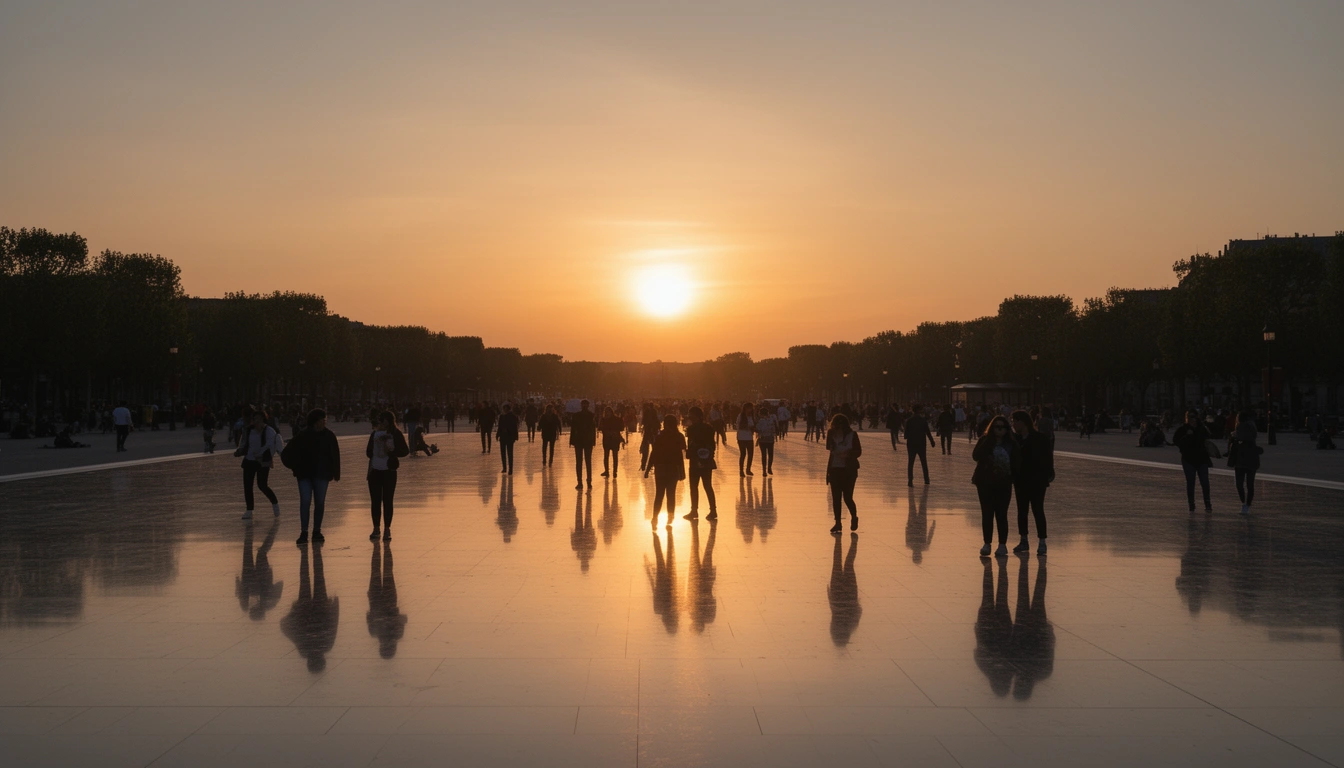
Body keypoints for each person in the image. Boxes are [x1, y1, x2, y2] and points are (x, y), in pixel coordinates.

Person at [281, 409, 341, 545]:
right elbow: (286, 454)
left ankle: (316, 531)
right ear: (314, 422)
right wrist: (295, 467)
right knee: (305, 501)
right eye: (321, 421)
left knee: (319, 502)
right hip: (305, 475)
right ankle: (304, 532)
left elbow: (335, 455)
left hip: (322, 475)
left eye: (324, 421)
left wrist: (335, 473)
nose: (323, 423)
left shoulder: (329, 435)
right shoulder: (303, 435)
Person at [972, 415, 1019, 557]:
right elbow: (975, 456)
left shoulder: (1011, 443)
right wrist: (988, 442)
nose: (999, 430)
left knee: (1001, 514)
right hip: (985, 483)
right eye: (996, 427)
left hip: (1003, 484)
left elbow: (1017, 462)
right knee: (987, 514)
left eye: (1002, 427)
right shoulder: (985, 440)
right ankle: (987, 543)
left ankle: (1002, 544)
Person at [1010, 410, 1051, 556]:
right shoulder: (1015, 439)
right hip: (1021, 480)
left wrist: (1048, 475)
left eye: (1015, 421)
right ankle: (1024, 539)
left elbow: (1047, 458)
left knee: (1038, 509)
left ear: (1023, 422)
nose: (1013, 424)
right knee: (1022, 510)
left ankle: (1042, 541)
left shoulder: (1039, 438)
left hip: (1037, 480)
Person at [366, 410, 408, 541]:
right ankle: (376, 528)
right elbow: (368, 452)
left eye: (383, 421)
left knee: (388, 501)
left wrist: (391, 452)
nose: (381, 423)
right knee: (375, 501)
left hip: (389, 471)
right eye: (380, 421)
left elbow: (405, 451)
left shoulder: (396, 434)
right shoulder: (374, 434)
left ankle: (387, 529)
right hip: (375, 471)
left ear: (389, 421)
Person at [235, 409, 284, 520]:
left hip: (263, 461)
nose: (256, 421)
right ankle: (249, 510)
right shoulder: (248, 430)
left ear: (263, 418)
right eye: (254, 418)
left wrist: (260, 453)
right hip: (249, 461)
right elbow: (243, 443)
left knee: (262, 485)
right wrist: (240, 451)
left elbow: (270, 444)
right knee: (247, 486)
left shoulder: (269, 431)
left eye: (258, 418)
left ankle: (275, 503)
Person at [825, 413, 862, 533]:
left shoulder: (852, 435)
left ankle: (854, 517)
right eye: (836, 425)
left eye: (840, 425)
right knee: (836, 498)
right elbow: (828, 448)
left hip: (849, 470)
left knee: (847, 497)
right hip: (835, 468)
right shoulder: (831, 434)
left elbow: (858, 451)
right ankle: (838, 523)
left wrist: (847, 454)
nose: (838, 427)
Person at [648, 414, 686, 527]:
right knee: (671, 494)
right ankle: (670, 516)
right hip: (673, 468)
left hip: (660, 468)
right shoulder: (679, 436)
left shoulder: (660, 435)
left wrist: (648, 467)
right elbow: (683, 451)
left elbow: (654, 452)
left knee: (659, 494)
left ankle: (655, 517)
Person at [1173, 410, 1213, 512]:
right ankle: (1191, 503)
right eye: (1190, 417)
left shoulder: (1201, 428)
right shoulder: (1183, 429)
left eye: (1194, 417)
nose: (1192, 419)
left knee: (1205, 482)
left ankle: (1207, 503)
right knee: (1191, 482)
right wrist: (1187, 436)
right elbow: (1176, 441)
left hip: (1201, 458)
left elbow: (1207, 438)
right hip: (1188, 459)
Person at [684, 406, 718, 520]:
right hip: (706, 459)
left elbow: (692, 445)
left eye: (692, 416)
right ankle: (712, 510)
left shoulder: (691, 429)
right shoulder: (709, 428)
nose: (690, 418)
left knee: (695, 486)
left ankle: (694, 511)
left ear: (698, 417)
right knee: (707, 486)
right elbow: (713, 445)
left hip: (695, 460)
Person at [1230, 409, 1262, 515]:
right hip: (1251, 459)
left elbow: (1240, 438)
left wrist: (1235, 436)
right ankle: (1247, 504)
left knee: (1240, 484)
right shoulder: (1252, 426)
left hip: (1241, 459)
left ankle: (1244, 503)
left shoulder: (1240, 427)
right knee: (1250, 484)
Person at [904, 406, 936, 486]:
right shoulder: (923, 420)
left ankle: (910, 480)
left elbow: (905, 435)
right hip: (921, 443)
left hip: (911, 443)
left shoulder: (909, 420)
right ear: (919, 410)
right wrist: (932, 441)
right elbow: (927, 431)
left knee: (911, 462)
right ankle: (926, 479)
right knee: (923, 461)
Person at [570, 399, 597, 490]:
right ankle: (585, 482)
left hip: (581, 441)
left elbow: (593, 430)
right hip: (584, 441)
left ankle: (583, 482)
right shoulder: (589, 415)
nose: (584, 406)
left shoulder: (578, 415)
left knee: (582, 462)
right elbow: (573, 429)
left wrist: (572, 441)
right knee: (585, 461)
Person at [599, 406, 627, 478]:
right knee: (607, 456)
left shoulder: (607, 420)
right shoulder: (605, 420)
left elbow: (620, 428)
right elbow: (600, 428)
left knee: (613, 456)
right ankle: (608, 471)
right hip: (610, 440)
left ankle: (614, 471)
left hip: (612, 439)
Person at [496, 403, 520, 475]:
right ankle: (504, 467)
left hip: (510, 437)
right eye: (504, 409)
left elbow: (515, 427)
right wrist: (498, 435)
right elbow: (499, 427)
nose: (505, 410)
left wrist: (515, 436)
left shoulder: (513, 417)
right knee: (503, 453)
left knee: (510, 453)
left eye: (506, 409)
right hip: (503, 437)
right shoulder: (501, 417)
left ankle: (510, 469)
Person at [735, 401, 756, 477]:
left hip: (749, 437)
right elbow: (738, 426)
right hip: (741, 437)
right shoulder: (741, 416)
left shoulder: (752, 417)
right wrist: (747, 427)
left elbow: (753, 425)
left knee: (750, 454)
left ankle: (748, 469)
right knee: (743, 454)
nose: (750, 409)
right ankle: (741, 470)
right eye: (749, 408)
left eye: (751, 408)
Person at [755, 405, 777, 475]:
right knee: (770, 454)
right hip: (770, 438)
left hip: (762, 439)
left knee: (763, 455)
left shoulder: (760, 421)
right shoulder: (771, 420)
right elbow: (774, 428)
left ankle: (764, 470)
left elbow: (758, 429)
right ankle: (769, 468)